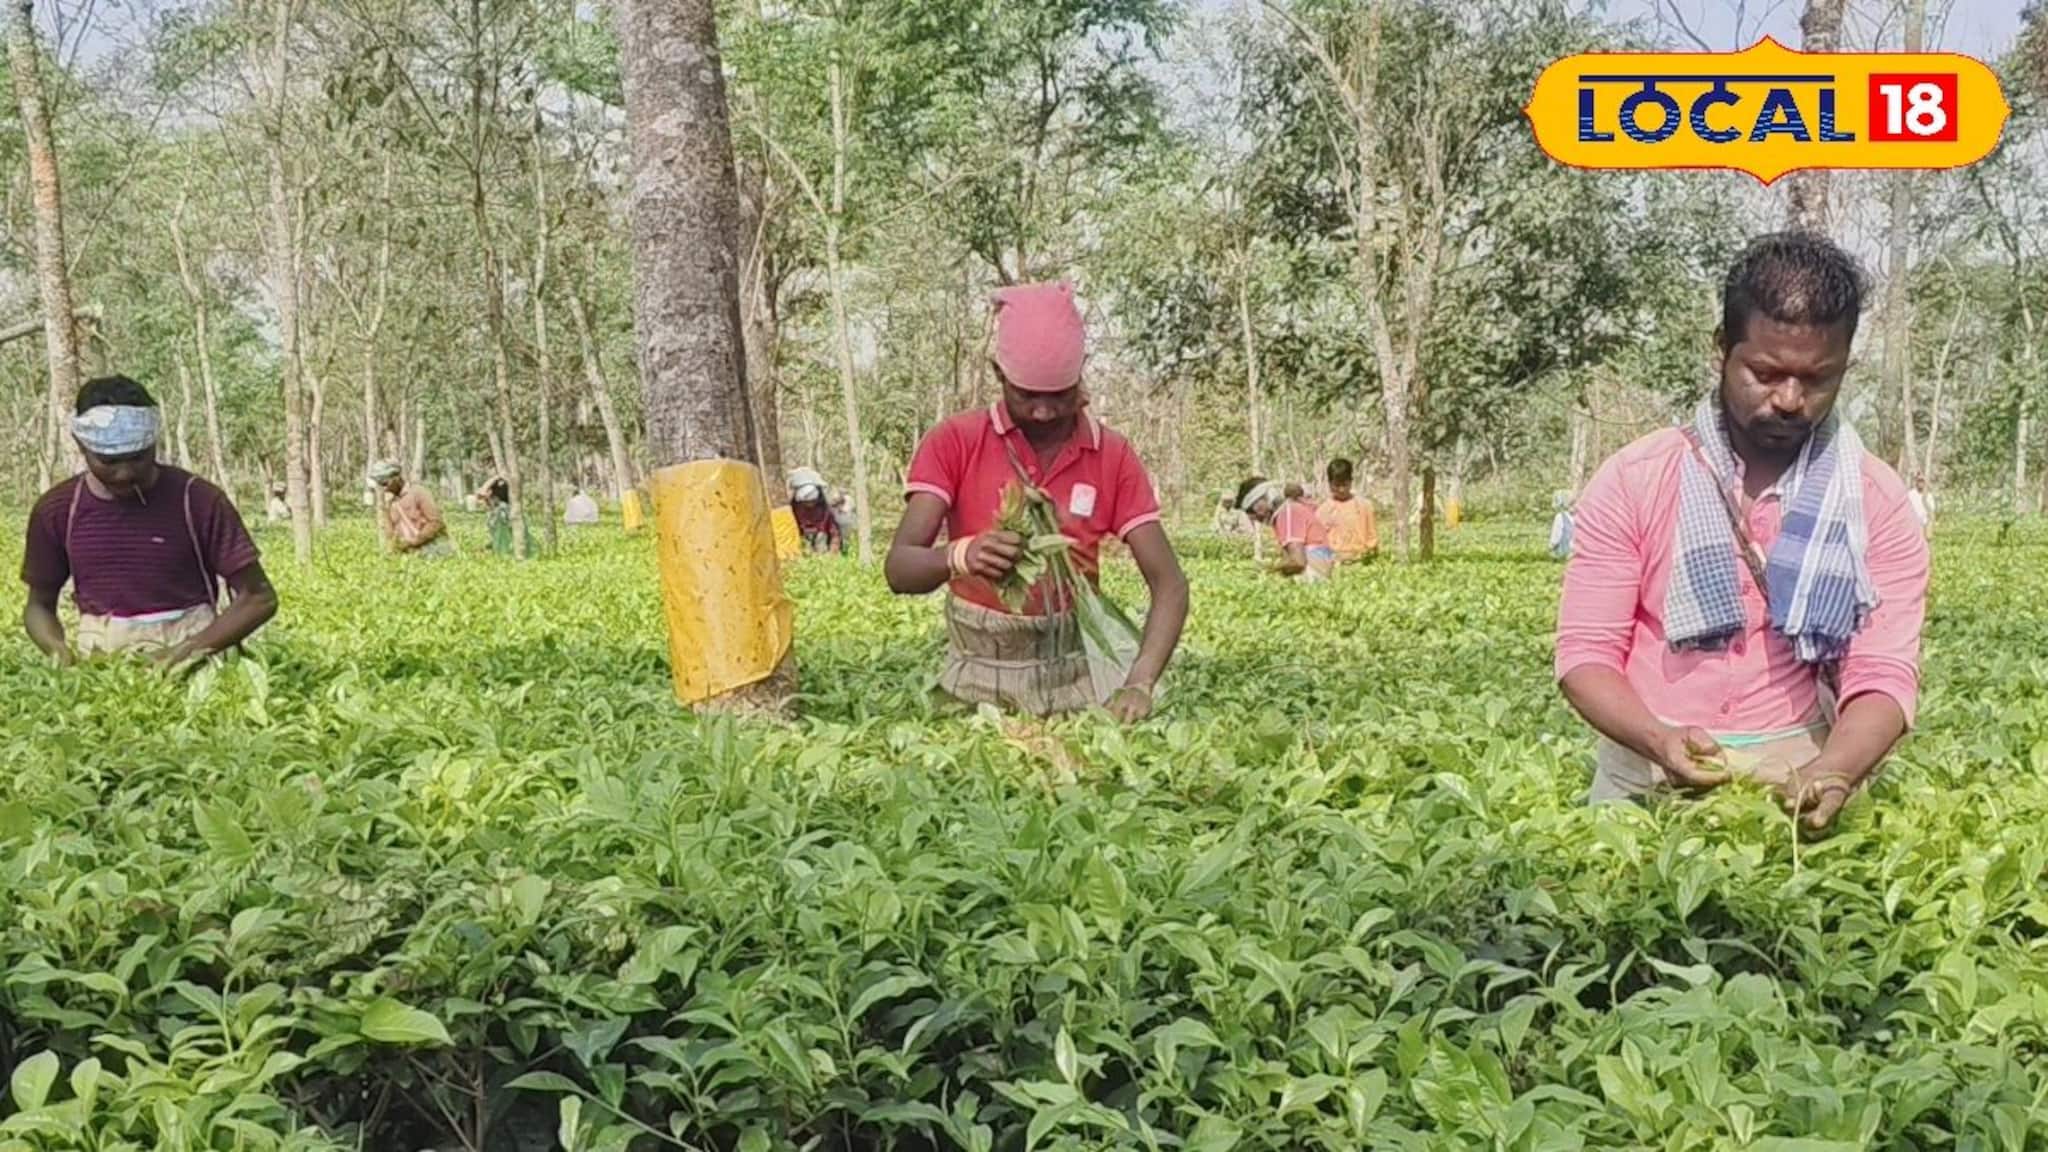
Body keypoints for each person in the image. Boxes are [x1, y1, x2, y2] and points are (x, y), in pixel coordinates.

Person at [1556, 233, 1930, 831]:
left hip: (1800, 780)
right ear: (1721, 350)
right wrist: (1658, 738)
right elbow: (1585, 654)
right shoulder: (1636, 479)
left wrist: (1836, 769)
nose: (1789, 399)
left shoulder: (1876, 501)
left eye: (1817, 379)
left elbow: (1882, 673)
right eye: (1764, 371)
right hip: (1645, 772)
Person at [886, 281, 1189, 721]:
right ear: (998, 374)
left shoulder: (1111, 454)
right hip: (975, 679)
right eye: (1026, 395)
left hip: (1074, 680)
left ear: (1081, 375)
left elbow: (1170, 585)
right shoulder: (955, 441)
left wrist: (1140, 682)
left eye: (1059, 396)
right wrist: (962, 554)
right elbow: (899, 569)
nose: (1043, 413)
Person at [22, 375, 278, 665]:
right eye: (108, 461)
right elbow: (38, 606)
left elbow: (259, 598)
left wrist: (186, 652)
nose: (126, 473)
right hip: (101, 665)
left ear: (154, 442)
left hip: (199, 659)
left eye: (138, 457)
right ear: (81, 447)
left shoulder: (198, 500)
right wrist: (58, 652)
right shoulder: (57, 510)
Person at [1238, 476, 1336, 581]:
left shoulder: (1287, 514)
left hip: (1315, 573)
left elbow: (1298, 562)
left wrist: (1267, 571)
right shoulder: (1288, 511)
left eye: (1253, 510)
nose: (1256, 517)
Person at [370, 460, 452, 556]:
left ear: (396, 478)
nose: (384, 488)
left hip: (434, 548)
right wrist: (386, 510)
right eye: (381, 485)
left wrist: (414, 542)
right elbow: (390, 534)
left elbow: (436, 522)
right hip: (410, 551)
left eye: (385, 483)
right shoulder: (391, 502)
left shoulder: (418, 492)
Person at [1317, 458, 1379, 563]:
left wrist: (1366, 557)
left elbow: (1372, 538)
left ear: (1351, 481)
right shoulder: (1323, 511)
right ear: (1329, 484)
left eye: (1345, 485)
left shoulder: (1364, 506)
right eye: (1337, 485)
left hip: (1362, 562)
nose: (1341, 489)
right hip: (1334, 564)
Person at [788, 467, 844, 555]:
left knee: (821, 539)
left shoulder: (824, 511)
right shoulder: (795, 509)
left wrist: (834, 550)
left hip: (821, 537)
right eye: (807, 503)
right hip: (802, 538)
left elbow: (834, 532)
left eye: (812, 502)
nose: (810, 505)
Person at [1548, 491, 1576, 560]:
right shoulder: (1563, 517)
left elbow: (1556, 535)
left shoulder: (1560, 516)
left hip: (1566, 550)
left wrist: (1551, 546)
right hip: (1570, 549)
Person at [1907, 473, 1933, 538]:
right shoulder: (1910, 494)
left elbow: (1931, 514)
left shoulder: (1929, 496)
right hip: (1912, 524)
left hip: (1924, 524)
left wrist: (1924, 500)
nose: (1920, 483)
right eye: (1919, 480)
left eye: (1922, 481)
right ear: (1916, 482)